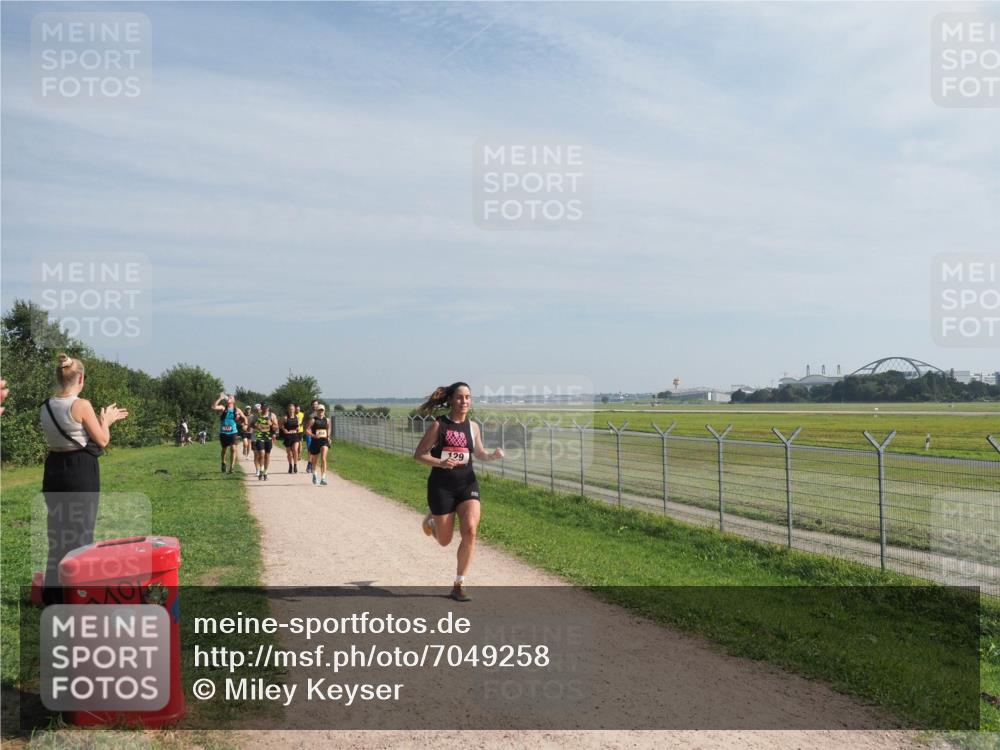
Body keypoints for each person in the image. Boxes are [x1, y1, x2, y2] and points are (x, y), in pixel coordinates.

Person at [39, 354, 129, 604]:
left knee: (57, 532)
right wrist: (106, 420)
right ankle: (77, 592)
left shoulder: (45, 405)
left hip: (54, 468)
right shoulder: (81, 405)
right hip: (79, 469)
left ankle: (53, 593)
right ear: (81, 378)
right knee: (80, 532)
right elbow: (102, 440)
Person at [413, 382, 502, 602]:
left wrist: (492, 456)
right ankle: (432, 521)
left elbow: (479, 453)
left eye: (468, 397)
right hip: (441, 487)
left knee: (470, 530)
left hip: (467, 484)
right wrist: (441, 462)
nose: (465, 401)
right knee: (444, 541)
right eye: (460, 397)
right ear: (451, 400)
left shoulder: (473, 427)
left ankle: (459, 584)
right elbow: (419, 454)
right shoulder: (439, 425)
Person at [212, 394, 245, 473]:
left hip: (233, 432)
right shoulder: (223, 408)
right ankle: (223, 462)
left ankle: (231, 468)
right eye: (228, 397)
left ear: (233, 401)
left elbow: (244, 417)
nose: (229, 398)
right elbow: (213, 407)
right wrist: (220, 398)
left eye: (231, 397)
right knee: (224, 449)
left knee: (233, 449)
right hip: (223, 432)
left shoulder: (237, 410)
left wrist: (245, 424)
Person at [250, 402, 278, 480]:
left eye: (267, 407)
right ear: (261, 408)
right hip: (259, 437)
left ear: (268, 408)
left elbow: (276, 427)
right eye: (264, 407)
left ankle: (265, 472)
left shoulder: (272, 415)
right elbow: (251, 424)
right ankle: (261, 470)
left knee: (267, 456)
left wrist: (271, 424)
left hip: (268, 437)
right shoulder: (257, 416)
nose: (265, 408)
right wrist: (256, 426)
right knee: (261, 454)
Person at [304, 404, 331, 485]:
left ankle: (323, 478)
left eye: (322, 410)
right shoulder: (313, 420)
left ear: (324, 411)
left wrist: (329, 437)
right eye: (319, 410)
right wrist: (314, 436)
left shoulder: (327, 420)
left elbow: (329, 429)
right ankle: (314, 475)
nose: (321, 412)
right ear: (317, 411)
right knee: (314, 460)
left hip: (324, 441)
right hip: (315, 441)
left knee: (323, 458)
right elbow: (307, 430)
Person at [280, 403, 301, 473]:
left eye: (292, 409)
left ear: (295, 409)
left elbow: (298, 425)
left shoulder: (296, 417)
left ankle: (295, 465)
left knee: (295, 450)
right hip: (288, 436)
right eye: (290, 409)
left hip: (295, 435)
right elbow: (281, 425)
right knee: (289, 453)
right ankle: (290, 465)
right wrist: (284, 430)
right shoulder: (285, 418)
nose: (291, 410)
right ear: (288, 410)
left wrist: (298, 427)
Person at [304, 399, 320, 474]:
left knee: (317, 450)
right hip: (310, 433)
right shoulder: (308, 414)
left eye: (316, 404)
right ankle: (309, 465)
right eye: (313, 404)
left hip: (318, 433)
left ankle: (314, 465)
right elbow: (304, 422)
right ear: (311, 405)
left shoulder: (321, 412)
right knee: (310, 449)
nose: (315, 405)